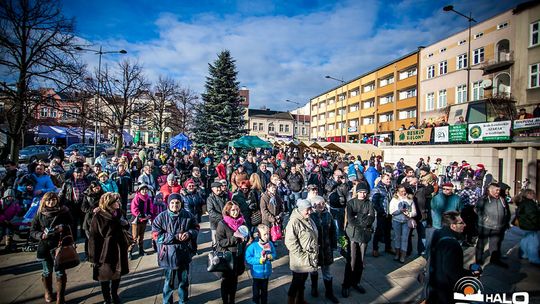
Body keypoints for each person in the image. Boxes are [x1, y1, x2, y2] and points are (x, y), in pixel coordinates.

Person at [152, 193, 199, 304]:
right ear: (168, 204)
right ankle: (167, 301)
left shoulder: (188, 215)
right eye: (172, 203)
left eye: (177, 203)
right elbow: (156, 236)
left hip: (184, 253)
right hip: (168, 255)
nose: (175, 205)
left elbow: (196, 227)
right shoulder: (161, 217)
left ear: (181, 203)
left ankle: (183, 300)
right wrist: (174, 237)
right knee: (169, 282)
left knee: (184, 280)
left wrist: (189, 234)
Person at [425, 211, 481, 304]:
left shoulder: (437, 233)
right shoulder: (453, 245)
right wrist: (471, 274)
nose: (465, 224)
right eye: (461, 223)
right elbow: (453, 273)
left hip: (433, 285)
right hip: (444, 292)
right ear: (453, 226)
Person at [30, 192, 73, 304]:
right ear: (44, 201)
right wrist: (41, 235)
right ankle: (48, 292)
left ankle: (60, 296)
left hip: (60, 246)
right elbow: (33, 231)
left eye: (53, 200)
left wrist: (63, 227)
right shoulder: (40, 213)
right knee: (47, 271)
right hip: (45, 246)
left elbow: (72, 224)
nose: (51, 202)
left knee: (60, 272)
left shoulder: (64, 211)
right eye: (49, 200)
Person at [88, 192, 130, 304]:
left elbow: (126, 226)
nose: (118, 203)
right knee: (104, 276)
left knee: (117, 273)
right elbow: (93, 238)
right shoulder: (98, 216)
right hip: (104, 251)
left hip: (119, 248)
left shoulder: (119, 212)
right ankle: (107, 298)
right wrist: (93, 257)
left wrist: (125, 223)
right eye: (115, 201)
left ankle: (115, 294)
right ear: (108, 203)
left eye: (118, 201)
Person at [342, 183, 374, 297]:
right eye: (361, 192)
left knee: (360, 261)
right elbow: (350, 219)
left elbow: (371, 217)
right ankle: (346, 284)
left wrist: (359, 217)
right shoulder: (351, 203)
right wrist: (363, 219)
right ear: (357, 192)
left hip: (364, 235)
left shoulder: (369, 203)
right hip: (353, 235)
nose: (363, 194)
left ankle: (356, 282)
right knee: (351, 261)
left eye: (365, 192)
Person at [285, 199, 318, 304]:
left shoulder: (307, 218)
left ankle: (300, 300)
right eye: (307, 210)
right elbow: (290, 242)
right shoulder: (294, 222)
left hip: (308, 257)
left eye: (310, 209)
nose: (309, 212)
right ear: (301, 210)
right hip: (299, 260)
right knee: (296, 282)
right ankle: (291, 301)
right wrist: (302, 255)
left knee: (302, 280)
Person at [216, 201, 249, 304]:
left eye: (237, 209)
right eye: (233, 210)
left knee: (234, 281)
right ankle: (225, 300)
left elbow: (246, 235)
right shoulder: (223, 224)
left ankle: (232, 300)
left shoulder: (242, 222)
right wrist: (235, 238)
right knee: (226, 281)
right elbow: (220, 242)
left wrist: (246, 239)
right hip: (227, 257)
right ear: (228, 211)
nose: (235, 212)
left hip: (238, 256)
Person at [309, 195, 339, 303]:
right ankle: (314, 288)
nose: (321, 206)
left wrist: (334, 245)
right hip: (315, 249)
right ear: (313, 205)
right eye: (318, 204)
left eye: (323, 203)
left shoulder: (328, 215)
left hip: (326, 248)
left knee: (327, 271)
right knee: (314, 270)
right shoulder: (310, 216)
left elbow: (333, 231)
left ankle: (329, 293)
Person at [475, 183, 511, 267]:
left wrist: (505, 222)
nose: (498, 192)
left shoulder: (502, 199)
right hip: (485, 226)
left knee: (495, 244)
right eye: (496, 190)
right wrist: (485, 218)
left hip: (498, 226)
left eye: (499, 190)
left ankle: (494, 260)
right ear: (490, 190)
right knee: (481, 243)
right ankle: (479, 260)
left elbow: (506, 211)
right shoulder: (484, 199)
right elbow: (477, 209)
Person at [245, 224, 277, 304]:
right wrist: (259, 260)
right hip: (256, 273)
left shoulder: (270, 244)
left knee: (264, 291)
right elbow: (248, 258)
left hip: (266, 273)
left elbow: (274, 253)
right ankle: (255, 301)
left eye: (268, 234)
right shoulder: (253, 246)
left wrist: (271, 256)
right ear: (259, 235)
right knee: (256, 292)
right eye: (265, 234)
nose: (267, 236)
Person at [389, 185, 416, 263]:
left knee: (405, 239)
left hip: (406, 221)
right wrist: (400, 211)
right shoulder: (394, 199)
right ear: (397, 192)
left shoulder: (410, 199)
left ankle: (403, 256)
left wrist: (409, 214)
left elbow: (414, 212)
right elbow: (391, 212)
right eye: (401, 191)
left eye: (404, 191)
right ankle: (397, 254)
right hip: (396, 221)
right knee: (397, 237)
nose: (403, 193)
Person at [370, 173, 394, 257]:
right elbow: (374, 202)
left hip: (389, 213)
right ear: (382, 179)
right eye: (387, 179)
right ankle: (375, 249)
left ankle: (388, 247)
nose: (389, 180)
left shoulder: (390, 188)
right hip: (381, 213)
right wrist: (380, 211)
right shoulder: (377, 189)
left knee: (388, 231)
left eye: (389, 179)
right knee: (378, 231)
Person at [515, 189, 540, 265]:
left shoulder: (524, 202)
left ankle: (524, 254)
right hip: (530, 225)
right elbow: (532, 215)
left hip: (525, 225)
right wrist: (537, 222)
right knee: (534, 243)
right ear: (528, 194)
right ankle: (534, 258)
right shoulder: (529, 203)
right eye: (532, 193)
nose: (534, 195)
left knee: (526, 240)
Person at [129, 184, 154, 259]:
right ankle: (129, 251)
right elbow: (134, 209)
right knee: (134, 237)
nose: (144, 191)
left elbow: (151, 207)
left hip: (144, 220)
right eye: (143, 190)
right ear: (139, 190)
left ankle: (141, 250)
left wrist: (149, 214)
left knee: (141, 236)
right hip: (136, 221)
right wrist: (141, 215)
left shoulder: (148, 198)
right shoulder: (137, 198)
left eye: (146, 190)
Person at [81, 181, 105, 258]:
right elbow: (83, 207)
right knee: (89, 239)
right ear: (92, 188)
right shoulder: (87, 195)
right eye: (95, 188)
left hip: (101, 219)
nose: (97, 189)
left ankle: (99, 254)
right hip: (89, 220)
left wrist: (101, 208)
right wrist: (93, 210)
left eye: (98, 187)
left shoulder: (103, 194)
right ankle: (89, 255)